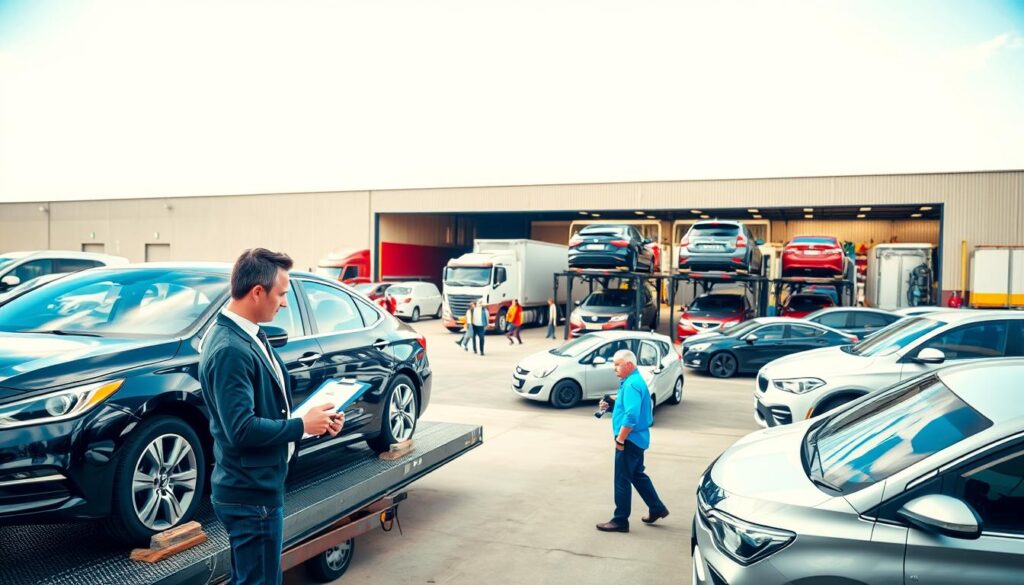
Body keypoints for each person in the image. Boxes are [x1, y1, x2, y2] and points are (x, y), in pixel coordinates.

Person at [200, 248, 344, 585]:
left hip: (255, 489)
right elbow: (241, 430)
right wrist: (300, 425)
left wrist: (313, 424)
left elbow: (266, 410)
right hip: (250, 495)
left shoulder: (249, 333)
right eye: (281, 294)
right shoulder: (230, 349)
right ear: (257, 292)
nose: (284, 303)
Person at [595, 349, 668, 533]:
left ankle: (620, 520)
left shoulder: (631, 385)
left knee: (622, 479)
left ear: (628, 365)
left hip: (629, 440)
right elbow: (627, 408)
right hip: (637, 439)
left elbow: (632, 416)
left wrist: (620, 439)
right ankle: (656, 507)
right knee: (636, 474)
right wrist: (611, 406)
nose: (614, 368)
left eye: (617, 365)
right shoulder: (631, 381)